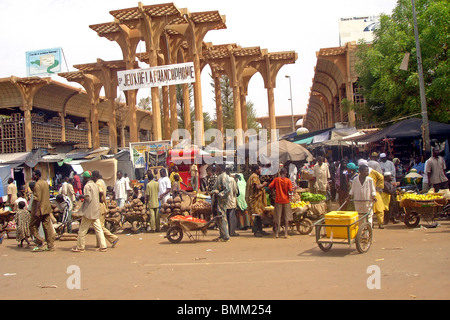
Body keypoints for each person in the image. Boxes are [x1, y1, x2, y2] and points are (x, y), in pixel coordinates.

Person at [72, 171, 107, 253]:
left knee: (82, 230)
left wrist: (81, 196)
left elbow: (88, 197)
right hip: (96, 209)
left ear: (84, 178)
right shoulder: (95, 185)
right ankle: (103, 246)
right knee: (99, 229)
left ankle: (80, 247)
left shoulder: (87, 186)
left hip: (89, 211)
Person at [29, 170, 55, 252]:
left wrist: (36, 211)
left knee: (32, 226)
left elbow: (37, 199)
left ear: (37, 176)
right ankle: (50, 245)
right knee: (47, 227)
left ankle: (40, 241)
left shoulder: (37, 185)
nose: (32, 176)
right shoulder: (45, 183)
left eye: (33, 175)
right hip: (46, 208)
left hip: (39, 209)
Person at [93, 171, 119, 248]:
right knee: (99, 225)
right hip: (103, 206)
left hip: (100, 206)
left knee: (99, 226)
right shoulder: (102, 182)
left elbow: (100, 192)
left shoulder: (98, 184)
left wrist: (99, 199)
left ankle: (113, 238)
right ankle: (99, 243)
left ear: (94, 177)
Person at [268, 167, 293, 239]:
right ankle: (285, 233)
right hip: (286, 201)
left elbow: (270, 187)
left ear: (280, 173)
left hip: (278, 200)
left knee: (277, 217)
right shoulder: (288, 181)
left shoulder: (276, 180)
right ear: (285, 173)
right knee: (286, 217)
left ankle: (276, 233)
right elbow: (290, 190)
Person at [246, 164, 269, 237]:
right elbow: (257, 187)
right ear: (256, 170)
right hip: (254, 200)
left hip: (255, 200)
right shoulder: (254, 177)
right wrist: (264, 184)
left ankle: (260, 230)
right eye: (259, 169)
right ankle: (256, 231)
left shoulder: (253, 176)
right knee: (256, 215)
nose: (260, 171)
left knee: (259, 215)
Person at [211, 164, 231, 242]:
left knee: (222, 218)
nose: (216, 168)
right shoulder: (219, 176)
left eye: (217, 166)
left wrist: (218, 194)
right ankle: (221, 235)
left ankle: (225, 236)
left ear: (221, 167)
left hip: (221, 200)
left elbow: (227, 190)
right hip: (217, 200)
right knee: (219, 218)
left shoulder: (223, 177)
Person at [225, 167, 239, 237]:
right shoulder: (232, 180)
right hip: (231, 200)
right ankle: (232, 232)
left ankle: (226, 231)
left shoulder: (222, 179)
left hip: (224, 201)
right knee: (231, 217)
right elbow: (235, 190)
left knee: (226, 217)